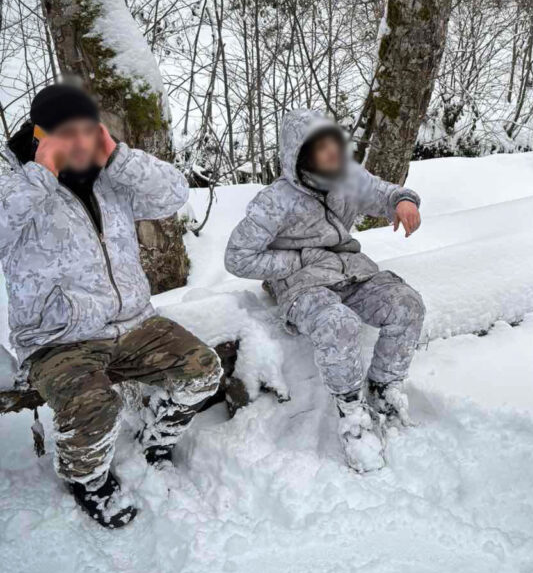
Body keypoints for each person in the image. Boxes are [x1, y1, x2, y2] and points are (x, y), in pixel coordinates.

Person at [0, 84, 222, 528]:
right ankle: (86, 479)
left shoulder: (110, 176)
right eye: (67, 133)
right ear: (40, 134)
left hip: (134, 324)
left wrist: (118, 156)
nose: (79, 142)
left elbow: (173, 195)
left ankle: (157, 438)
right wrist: (41, 175)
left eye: (88, 130)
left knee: (204, 370)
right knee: (95, 404)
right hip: (58, 340)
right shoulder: (14, 180)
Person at [225, 109, 425, 473]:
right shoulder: (275, 201)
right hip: (302, 286)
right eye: (322, 149)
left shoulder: (348, 177)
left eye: (336, 144)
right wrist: (296, 261)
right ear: (300, 155)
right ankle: (352, 414)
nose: (334, 154)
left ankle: (383, 389)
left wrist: (403, 201)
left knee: (407, 305)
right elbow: (237, 257)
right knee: (339, 325)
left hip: (350, 272)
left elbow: (382, 193)